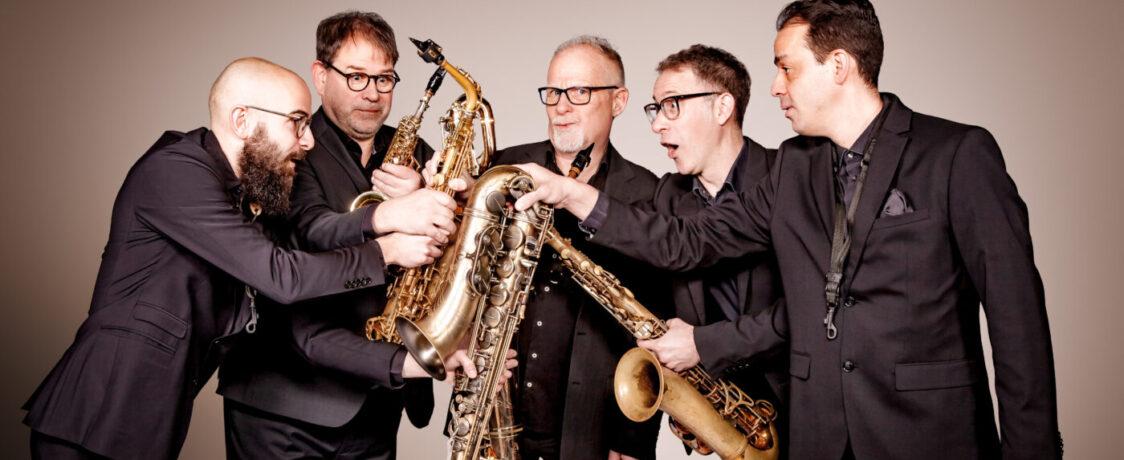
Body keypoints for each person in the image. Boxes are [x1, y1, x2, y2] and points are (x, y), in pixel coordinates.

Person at [514, 1, 1060, 458]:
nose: (775, 87)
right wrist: (572, 194)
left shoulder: (958, 154)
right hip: (816, 438)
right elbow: (687, 242)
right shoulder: (793, 167)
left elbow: (1018, 321)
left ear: (839, 65)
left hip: (929, 436)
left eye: (787, 68)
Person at [22, 57, 463, 460]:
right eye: (297, 122)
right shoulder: (175, 171)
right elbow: (283, 276)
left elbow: (298, 320)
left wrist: (412, 362)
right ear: (242, 120)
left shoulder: (243, 199)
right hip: (94, 420)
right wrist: (387, 248)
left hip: (145, 425)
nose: (308, 140)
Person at [217, 11, 459, 459]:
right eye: (356, 76)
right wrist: (396, 213)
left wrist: (443, 198)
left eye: (384, 79)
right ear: (321, 76)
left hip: (378, 399)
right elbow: (312, 229)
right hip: (284, 406)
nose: (372, 93)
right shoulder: (290, 147)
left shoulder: (415, 153)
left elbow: (449, 252)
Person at [489, 36, 665, 460]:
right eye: (553, 92)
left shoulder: (649, 193)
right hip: (495, 412)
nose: (561, 106)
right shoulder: (502, 168)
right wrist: (463, 349)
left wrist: (634, 438)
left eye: (580, 91)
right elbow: (458, 277)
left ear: (619, 101)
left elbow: (655, 324)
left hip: (592, 426)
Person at [642, 44, 787, 454]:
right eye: (656, 109)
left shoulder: (787, 177)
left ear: (723, 106)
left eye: (672, 105)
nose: (657, 124)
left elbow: (812, 310)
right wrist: (689, 405)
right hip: (727, 422)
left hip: (803, 409)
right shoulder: (667, 195)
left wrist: (705, 344)